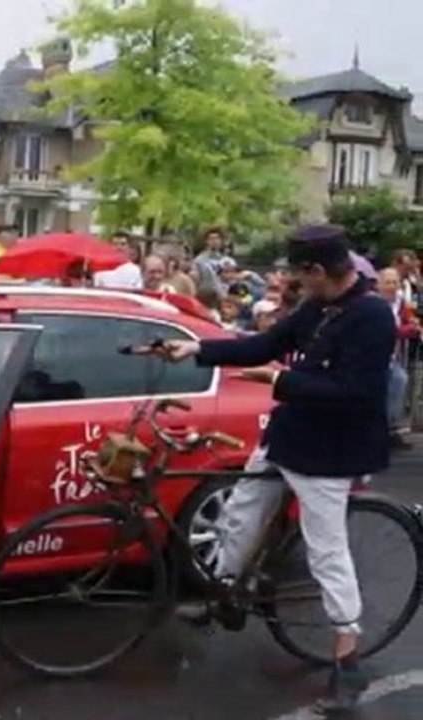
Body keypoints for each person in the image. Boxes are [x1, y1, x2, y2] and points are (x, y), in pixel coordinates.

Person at [160, 224, 394, 712]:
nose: (293, 282)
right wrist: (198, 350)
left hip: (331, 451)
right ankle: (223, 597)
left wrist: (282, 381)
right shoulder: (319, 306)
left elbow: (355, 391)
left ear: (316, 271)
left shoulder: (371, 317)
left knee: (327, 551)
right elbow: (263, 345)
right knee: (239, 513)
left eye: (297, 273)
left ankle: (346, 661)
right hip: (289, 436)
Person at [377, 267, 418, 449]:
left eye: (395, 282)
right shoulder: (373, 304)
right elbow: (387, 330)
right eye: (388, 282)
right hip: (372, 356)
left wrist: (413, 326)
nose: (392, 286)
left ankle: (389, 429)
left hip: (392, 356)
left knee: (397, 382)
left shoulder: (401, 303)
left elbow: (410, 322)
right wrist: (407, 329)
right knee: (397, 380)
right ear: (379, 285)